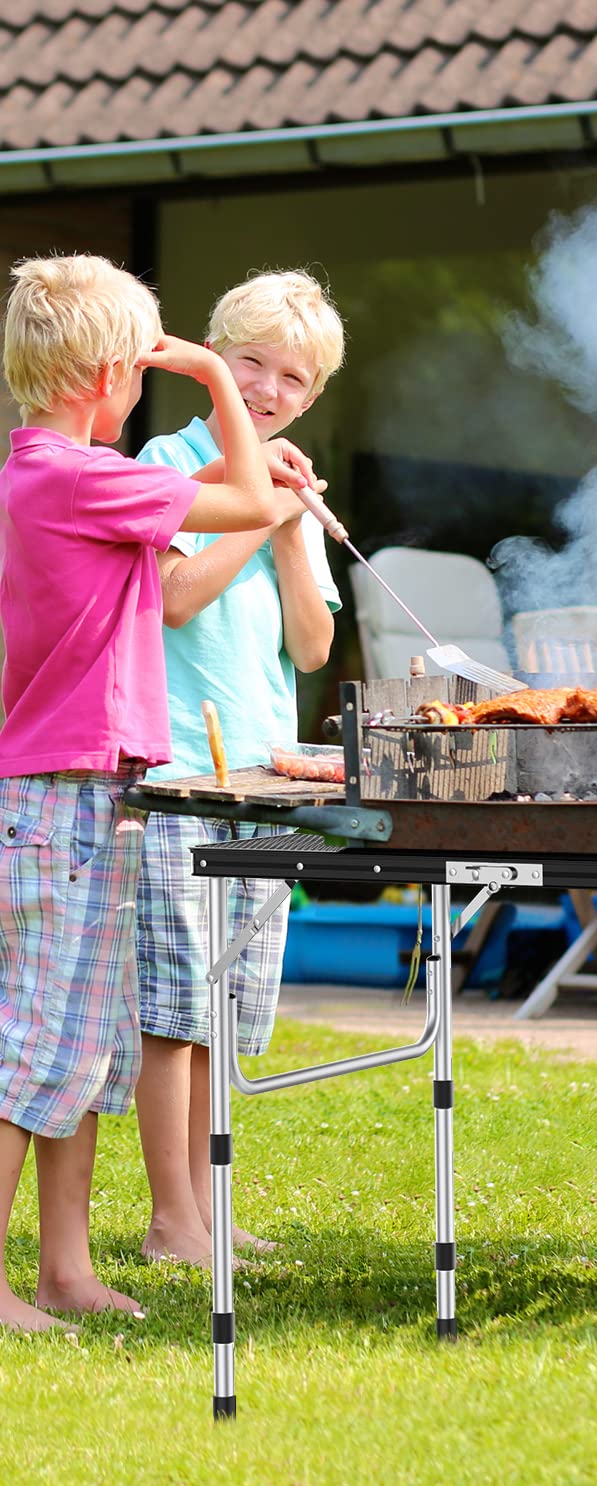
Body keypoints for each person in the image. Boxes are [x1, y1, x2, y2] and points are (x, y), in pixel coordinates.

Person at [0, 253, 288, 1331]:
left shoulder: (45, 475)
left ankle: (64, 1271)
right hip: (63, 796)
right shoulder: (83, 477)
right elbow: (253, 497)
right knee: (32, 1047)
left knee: (78, 1045)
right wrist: (217, 378)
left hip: (80, 790)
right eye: (142, 363)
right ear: (109, 374)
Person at [133, 271, 344, 1265]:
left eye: (292, 377)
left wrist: (294, 527)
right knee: (174, 1008)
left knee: (228, 1008)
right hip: (179, 765)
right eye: (251, 363)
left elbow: (310, 649)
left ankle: (212, 1209)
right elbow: (173, 599)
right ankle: (172, 1220)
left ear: (312, 395)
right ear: (216, 358)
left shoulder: (287, 482)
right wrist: (260, 511)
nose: (266, 389)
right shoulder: (168, 462)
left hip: (268, 766)